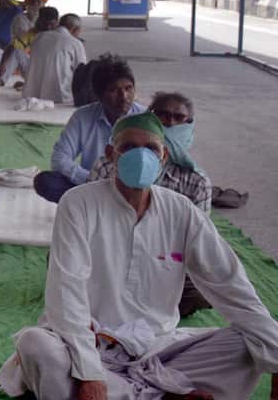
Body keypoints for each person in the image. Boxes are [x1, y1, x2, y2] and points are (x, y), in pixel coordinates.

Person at [0, 112, 278, 400]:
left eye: (151, 149)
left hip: (156, 349)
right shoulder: (79, 203)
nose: (140, 156)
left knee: (248, 343)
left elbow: (230, 283)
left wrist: (275, 351)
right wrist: (89, 374)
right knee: (35, 346)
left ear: (164, 156)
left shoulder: (181, 211)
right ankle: (161, 399)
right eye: (129, 147)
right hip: (82, 344)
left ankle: (127, 393)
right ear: (110, 153)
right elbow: (66, 291)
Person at [88, 92, 213, 317]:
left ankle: (119, 304)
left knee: (204, 286)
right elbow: (91, 222)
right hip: (109, 258)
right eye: (162, 115)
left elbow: (194, 243)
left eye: (178, 117)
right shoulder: (109, 165)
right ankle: (135, 305)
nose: (170, 122)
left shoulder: (197, 182)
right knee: (65, 261)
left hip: (162, 265)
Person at [33, 54, 144, 203]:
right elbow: (60, 158)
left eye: (128, 88)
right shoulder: (83, 116)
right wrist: (92, 180)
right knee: (46, 182)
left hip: (132, 189)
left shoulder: (144, 118)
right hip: (91, 186)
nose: (123, 96)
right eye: (113, 90)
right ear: (99, 95)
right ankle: (97, 203)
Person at [0, 6, 59, 93]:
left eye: (51, 24)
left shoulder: (62, 36)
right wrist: (2, 64)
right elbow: (13, 46)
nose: (48, 27)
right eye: (45, 24)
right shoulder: (33, 33)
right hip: (36, 73)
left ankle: (30, 85)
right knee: (17, 51)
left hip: (55, 77)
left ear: (57, 22)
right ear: (39, 21)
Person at [17, 12, 87, 102]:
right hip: (60, 97)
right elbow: (83, 72)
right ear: (75, 29)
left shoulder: (39, 37)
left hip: (32, 94)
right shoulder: (75, 43)